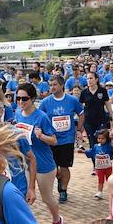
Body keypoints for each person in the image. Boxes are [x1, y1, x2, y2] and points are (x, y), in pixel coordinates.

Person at [14, 83, 64, 224]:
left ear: (33, 99)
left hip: (44, 165)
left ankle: (57, 220)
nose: (21, 102)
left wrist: (41, 136)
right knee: (24, 195)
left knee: (46, 198)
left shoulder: (41, 117)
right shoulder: (17, 114)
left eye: (24, 98)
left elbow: (54, 140)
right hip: (25, 164)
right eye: (18, 98)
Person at [0, 95, 36, 205]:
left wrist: (31, 188)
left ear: (1, 112)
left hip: (16, 190)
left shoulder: (15, 134)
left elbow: (32, 159)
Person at [39, 75, 83, 203]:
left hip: (67, 140)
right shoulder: (46, 102)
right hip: (51, 139)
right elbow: (39, 117)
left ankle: (63, 190)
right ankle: (59, 178)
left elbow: (81, 113)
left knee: (64, 167)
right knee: (53, 168)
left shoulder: (72, 100)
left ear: (62, 85)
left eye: (54, 85)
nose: (51, 87)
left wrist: (79, 129)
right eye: (50, 85)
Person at [79, 72, 112, 150]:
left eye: (91, 78)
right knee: (93, 142)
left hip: (101, 120)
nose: (89, 80)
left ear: (96, 79)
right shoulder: (84, 92)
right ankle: (95, 161)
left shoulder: (103, 91)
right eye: (87, 78)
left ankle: (106, 159)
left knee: (103, 140)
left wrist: (112, 117)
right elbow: (80, 106)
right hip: (88, 121)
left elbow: (107, 104)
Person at [84, 128, 113, 199]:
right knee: (100, 180)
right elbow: (91, 152)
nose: (100, 140)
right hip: (99, 167)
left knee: (109, 179)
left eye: (103, 138)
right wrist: (84, 151)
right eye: (99, 138)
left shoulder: (109, 146)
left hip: (107, 167)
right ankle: (99, 192)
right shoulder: (96, 146)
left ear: (107, 138)